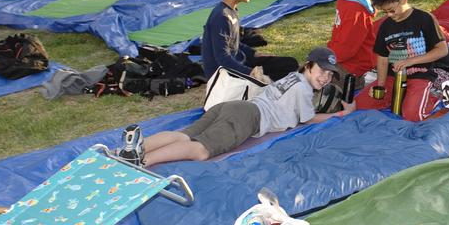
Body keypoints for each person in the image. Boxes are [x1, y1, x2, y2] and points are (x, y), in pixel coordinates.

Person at [138, 47, 350, 167]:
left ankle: (130, 150)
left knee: (185, 135)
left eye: (330, 74)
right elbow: (308, 119)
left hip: (232, 106)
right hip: (247, 117)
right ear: (309, 66)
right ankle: (143, 161)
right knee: (201, 150)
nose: (325, 78)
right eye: (322, 71)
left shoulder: (294, 76)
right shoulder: (304, 90)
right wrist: (340, 114)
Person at [355, 0, 449, 120]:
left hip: (420, 76)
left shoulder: (424, 19)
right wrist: (380, 85)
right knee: (360, 104)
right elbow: (382, 58)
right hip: (393, 77)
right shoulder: (386, 26)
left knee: (412, 115)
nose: (390, 15)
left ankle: (432, 98)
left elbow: (442, 50)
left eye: (391, 10)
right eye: (385, 12)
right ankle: (398, 98)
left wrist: (411, 61)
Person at [201, 0, 299, 82]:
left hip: (239, 62)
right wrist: (250, 73)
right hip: (225, 75)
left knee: (290, 63)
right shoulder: (221, 17)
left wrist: (254, 54)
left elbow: (234, 43)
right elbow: (223, 59)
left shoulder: (231, 10)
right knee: (288, 74)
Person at [326, 0, 377, 88]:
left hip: (355, 66)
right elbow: (338, 33)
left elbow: (347, 48)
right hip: (342, 59)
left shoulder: (356, 11)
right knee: (308, 72)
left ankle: (358, 82)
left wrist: (328, 58)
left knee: (317, 79)